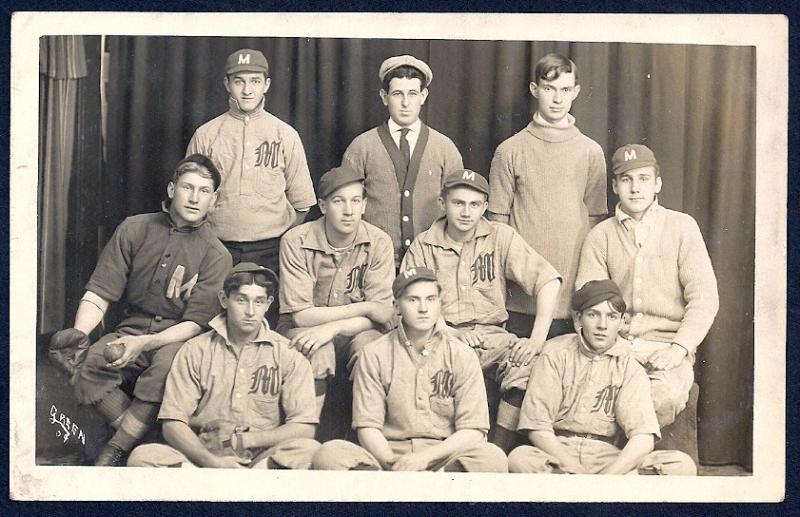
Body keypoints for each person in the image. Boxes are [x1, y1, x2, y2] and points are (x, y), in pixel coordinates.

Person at [48, 154, 232, 466]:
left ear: (213, 201)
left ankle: (116, 450)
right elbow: (100, 292)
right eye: (188, 187)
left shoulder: (217, 254)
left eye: (204, 191)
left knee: (167, 365)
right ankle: (139, 439)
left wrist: (144, 345)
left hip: (177, 338)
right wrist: (81, 334)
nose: (194, 197)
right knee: (89, 360)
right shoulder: (134, 228)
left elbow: (195, 325)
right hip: (131, 327)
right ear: (172, 189)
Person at [401, 169, 562, 453]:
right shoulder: (424, 244)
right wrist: (447, 331)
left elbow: (548, 280)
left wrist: (536, 340)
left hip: (493, 336)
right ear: (442, 203)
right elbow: (409, 299)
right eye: (458, 203)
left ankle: (497, 451)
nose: (466, 212)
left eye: (475, 204)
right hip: (440, 335)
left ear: (485, 207)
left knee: (531, 367)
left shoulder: (500, 236)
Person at [576, 144, 719, 427]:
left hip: (666, 348)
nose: (635, 188)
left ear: (657, 184)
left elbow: (704, 298)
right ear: (615, 186)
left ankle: (629, 462)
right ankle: (601, 462)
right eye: (626, 179)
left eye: (643, 179)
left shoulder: (682, 227)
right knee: (586, 395)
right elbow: (587, 302)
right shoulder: (600, 236)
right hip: (614, 346)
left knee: (661, 397)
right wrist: (607, 347)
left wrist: (679, 348)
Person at [312, 267, 508, 472]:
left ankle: (436, 487)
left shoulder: (462, 355)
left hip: (444, 459)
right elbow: (368, 426)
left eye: (431, 299)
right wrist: (394, 464)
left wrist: (424, 459)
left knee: (492, 458)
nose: (423, 308)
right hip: (390, 457)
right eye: (413, 300)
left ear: (440, 303)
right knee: (330, 454)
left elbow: (473, 430)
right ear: (397, 306)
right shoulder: (374, 353)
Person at [126, 263, 321, 469]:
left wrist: (243, 440)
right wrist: (212, 462)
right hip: (206, 459)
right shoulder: (196, 349)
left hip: (261, 460)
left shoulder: (287, 354)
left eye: (259, 301)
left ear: (269, 303)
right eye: (241, 300)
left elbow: (304, 427)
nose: (250, 311)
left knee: (310, 451)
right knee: (143, 456)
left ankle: (249, 485)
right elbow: (173, 422)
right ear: (224, 300)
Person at [508, 280, 696, 475]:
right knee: (519, 459)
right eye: (593, 315)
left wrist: (607, 478)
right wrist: (575, 470)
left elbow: (643, 437)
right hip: (559, 454)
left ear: (622, 321)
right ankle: (583, 488)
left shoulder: (629, 365)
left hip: (607, 457)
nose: (602, 325)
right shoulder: (555, 353)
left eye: (612, 316)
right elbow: (537, 427)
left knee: (681, 465)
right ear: (579, 319)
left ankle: (579, 491)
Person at [488, 53, 607, 341]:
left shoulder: (591, 152)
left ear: (576, 92)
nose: (557, 98)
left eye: (565, 90)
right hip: (520, 302)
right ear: (534, 89)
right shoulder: (510, 150)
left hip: (570, 301)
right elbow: (496, 229)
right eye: (549, 88)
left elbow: (597, 226)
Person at [279, 165, 395, 418]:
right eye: (338, 201)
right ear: (322, 206)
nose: (348, 210)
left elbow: (384, 314)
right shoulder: (295, 240)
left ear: (364, 205)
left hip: (360, 332)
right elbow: (300, 316)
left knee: (372, 350)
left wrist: (332, 327)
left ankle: (366, 434)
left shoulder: (379, 241)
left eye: (355, 201)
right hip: (304, 329)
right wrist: (365, 307)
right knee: (316, 349)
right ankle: (304, 433)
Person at [186, 48, 316, 273]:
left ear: (266, 85)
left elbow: (302, 203)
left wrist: (281, 242)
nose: (247, 90)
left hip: (271, 249)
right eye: (239, 81)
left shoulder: (285, 134)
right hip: (215, 246)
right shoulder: (206, 134)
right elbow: (189, 196)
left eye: (255, 81)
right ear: (227, 84)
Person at [342, 54, 464, 266]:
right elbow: (346, 208)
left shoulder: (445, 148)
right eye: (398, 94)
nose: (406, 103)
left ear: (423, 96)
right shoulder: (361, 147)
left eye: (413, 93)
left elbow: (459, 207)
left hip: (432, 262)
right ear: (384, 96)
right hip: (375, 263)